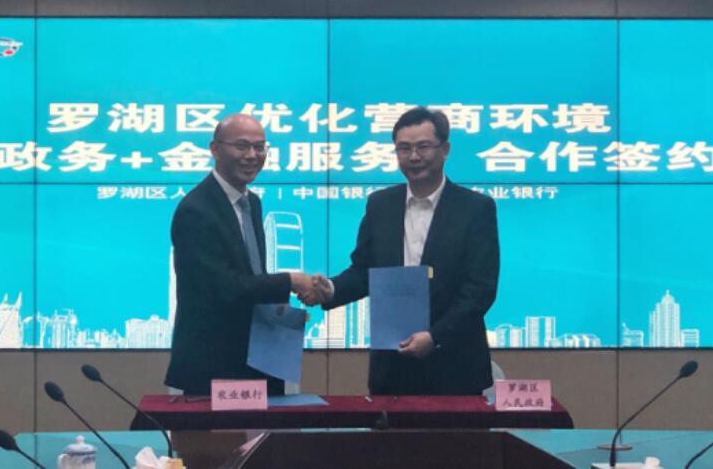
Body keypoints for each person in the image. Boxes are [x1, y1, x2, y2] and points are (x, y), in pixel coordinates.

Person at [309, 106, 500, 395]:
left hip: (455, 366)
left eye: (423, 146)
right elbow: (363, 271)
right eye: (404, 148)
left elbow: (480, 289)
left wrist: (434, 337)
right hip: (392, 366)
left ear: (445, 150)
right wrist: (331, 289)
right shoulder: (380, 204)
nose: (413, 156)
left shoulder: (475, 208)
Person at [165, 113, 315, 395]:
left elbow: (251, 275)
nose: (252, 155)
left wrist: (280, 307)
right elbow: (224, 287)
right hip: (213, 364)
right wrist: (290, 281)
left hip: (259, 357)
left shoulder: (252, 203)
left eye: (259, 147)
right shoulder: (196, 210)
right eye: (242, 146)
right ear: (215, 149)